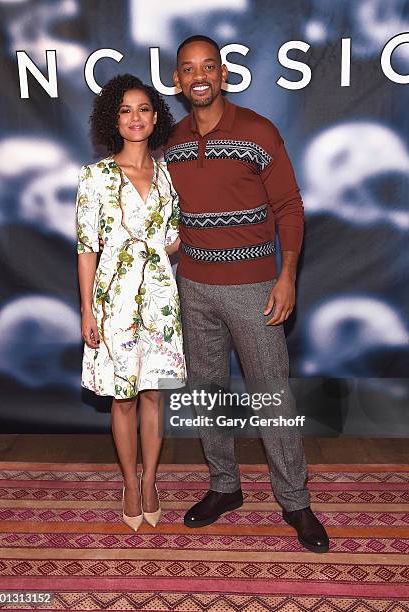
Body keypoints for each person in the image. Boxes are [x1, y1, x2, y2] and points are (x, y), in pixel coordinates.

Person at [164, 35, 329, 553]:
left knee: (271, 396)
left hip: (255, 286)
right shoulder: (171, 141)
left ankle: (295, 500)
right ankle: (224, 487)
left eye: (208, 66)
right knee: (208, 393)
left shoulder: (258, 131)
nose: (199, 76)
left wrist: (288, 276)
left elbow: (290, 207)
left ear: (224, 75)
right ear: (176, 80)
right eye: (189, 68)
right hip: (194, 286)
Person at [76, 74, 186, 532]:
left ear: (155, 117)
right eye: (125, 110)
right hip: (113, 302)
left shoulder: (167, 175)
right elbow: (87, 247)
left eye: (143, 109)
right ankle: (128, 482)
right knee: (122, 399)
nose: (135, 117)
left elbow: (175, 240)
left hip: (160, 300)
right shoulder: (95, 177)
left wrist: (159, 251)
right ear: (113, 121)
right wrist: (87, 308)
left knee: (153, 395)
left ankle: (152, 481)